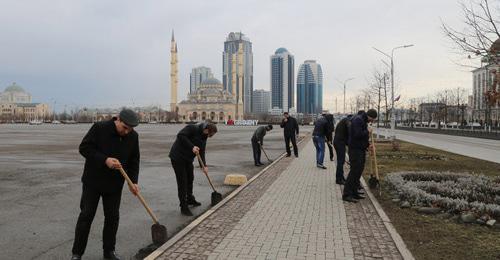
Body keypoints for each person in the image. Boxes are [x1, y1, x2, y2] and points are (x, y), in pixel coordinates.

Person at [71, 109, 140, 260]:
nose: (127, 132)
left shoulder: (133, 137)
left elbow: (134, 160)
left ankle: (109, 252)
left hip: (114, 185)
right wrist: (105, 160)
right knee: (86, 216)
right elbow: (84, 148)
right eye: (125, 128)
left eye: (131, 129)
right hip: (93, 182)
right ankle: (77, 253)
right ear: (118, 120)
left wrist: (133, 182)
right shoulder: (100, 128)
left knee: (112, 218)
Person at [169, 121, 218, 216]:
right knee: (182, 182)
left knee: (190, 178)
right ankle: (183, 206)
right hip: (177, 157)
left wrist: (203, 165)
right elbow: (180, 135)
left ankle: (190, 199)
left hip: (188, 159)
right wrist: (192, 147)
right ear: (206, 129)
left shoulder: (204, 136)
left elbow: (202, 151)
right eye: (209, 134)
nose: (209, 136)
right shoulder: (192, 128)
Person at [342, 109, 377, 203]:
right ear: (369, 116)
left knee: (358, 172)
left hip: (360, 150)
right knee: (354, 172)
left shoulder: (363, 121)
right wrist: (368, 131)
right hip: (355, 150)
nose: (372, 121)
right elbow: (357, 135)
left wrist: (368, 145)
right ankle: (347, 194)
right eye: (372, 119)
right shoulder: (358, 120)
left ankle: (354, 192)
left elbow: (363, 138)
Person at [333, 114, 353, 185]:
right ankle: (339, 179)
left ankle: (341, 177)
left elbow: (346, 134)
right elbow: (349, 131)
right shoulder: (347, 121)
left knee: (341, 161)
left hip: (339, 142)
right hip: (339, 143)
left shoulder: (343, 121)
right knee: (340, 161)